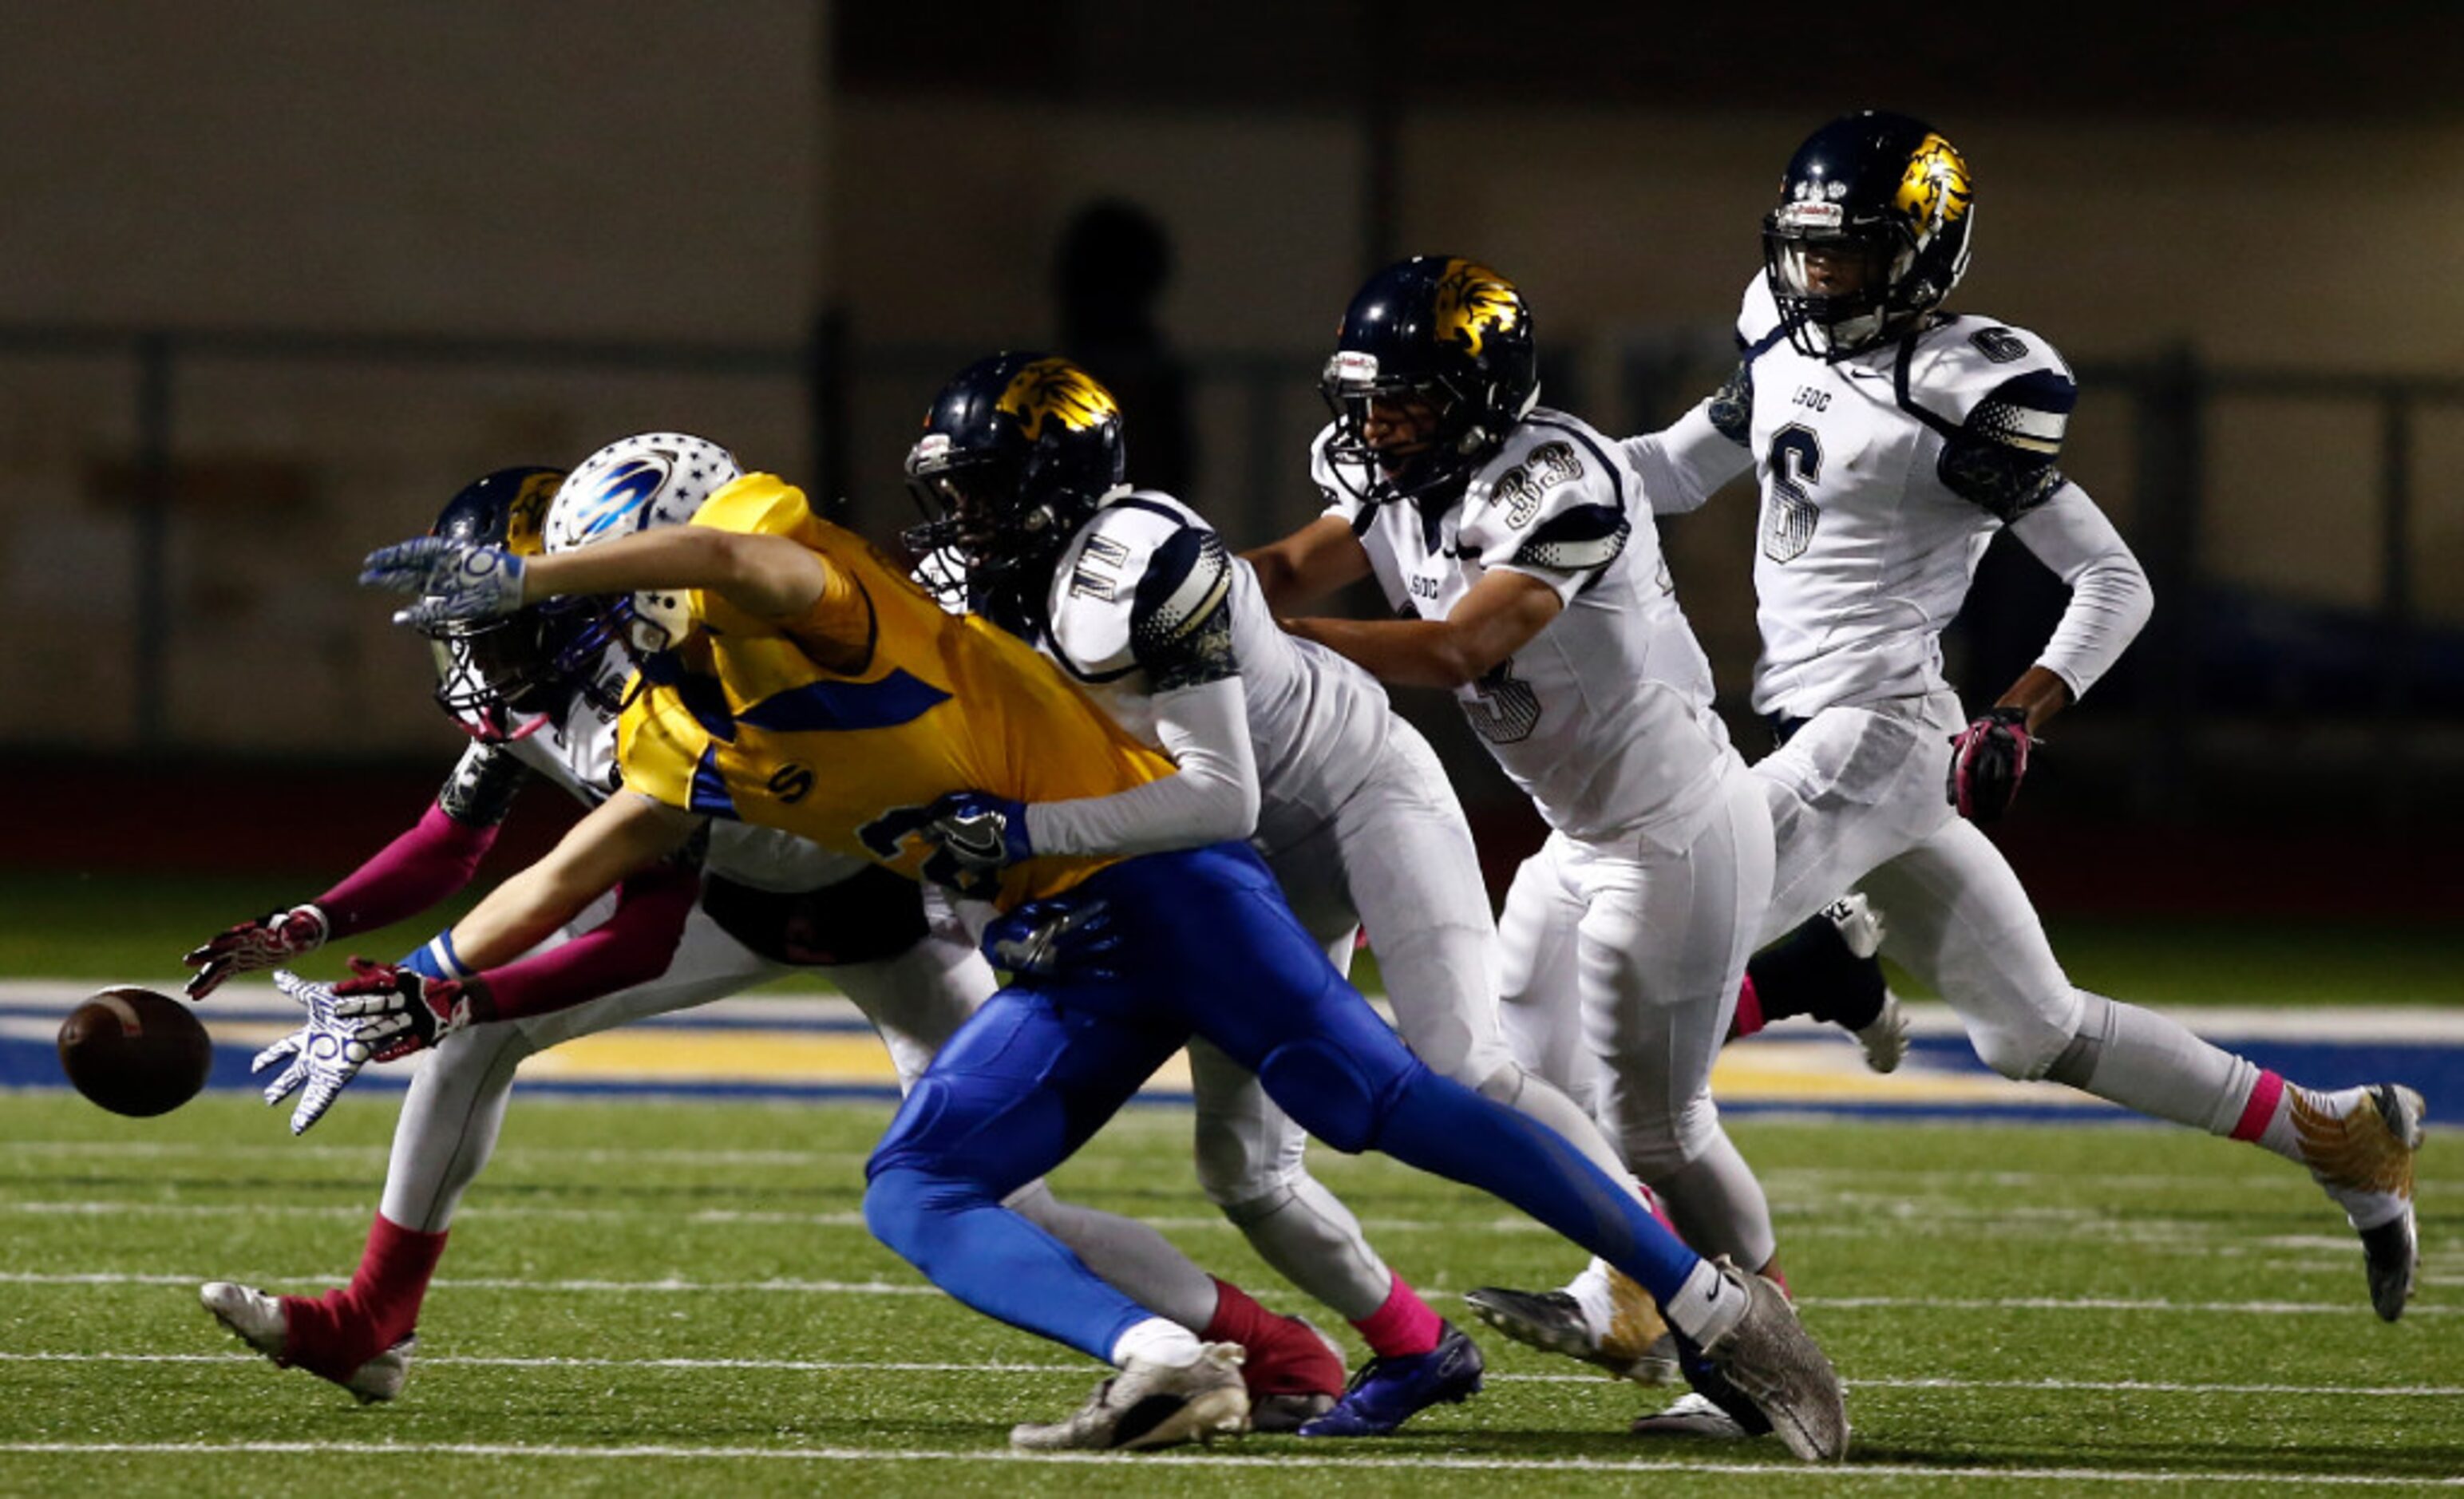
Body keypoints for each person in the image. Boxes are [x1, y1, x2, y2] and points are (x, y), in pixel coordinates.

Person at [338, 427, 1853, 1459]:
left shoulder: (813, 593)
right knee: (917, 1183)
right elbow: (573, 864)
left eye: (634, 574)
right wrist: (420, 989)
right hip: (1064, 938)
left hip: (1163, 877)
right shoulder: (678, 723)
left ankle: (1712, 1301)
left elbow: (747, 571)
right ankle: (1163, 1360)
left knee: (1374, 1101)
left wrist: (537, 575)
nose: (630, 619)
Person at [1497, 110, 2428, 1436]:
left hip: (1876, 736)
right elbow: (1675, 473)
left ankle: (1655, 1292)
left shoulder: (1968, 387)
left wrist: (2027, 706)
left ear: (1926, 254)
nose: (1822, 277)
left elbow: (2115, 578)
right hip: (1829, 732)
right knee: (2031, 1027)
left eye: (1854, 255)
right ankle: (2337, 1132)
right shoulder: (1777, 325)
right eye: (1810, 251)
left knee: (1646, 996)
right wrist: (1545, 478)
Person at [186, 455, 1347, 1423]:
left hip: (887, 911)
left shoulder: (673, 671)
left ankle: (1275, 1349)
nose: (475, 651)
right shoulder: (556, 686)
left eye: (497, 615)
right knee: (466, 1047)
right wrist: (320, 925)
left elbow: (634, 927)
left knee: (1000, 1199)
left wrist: (449, 989)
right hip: (737, 907)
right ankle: (373, 1318)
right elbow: (457, 836)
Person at [903, 349, 1701, 1434]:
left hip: (1352, 790)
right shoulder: (972, 591)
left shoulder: (1138, 563)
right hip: (1230, 856)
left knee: (1462, 1058)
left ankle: (1645, 1261)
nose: (961, 514)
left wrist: (1030, 840)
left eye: (984, 487)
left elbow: (1217, 787)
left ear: (1056, 486)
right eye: (952, 489)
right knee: (1242, 1167)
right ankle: (1415, 1350)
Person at [1248, 253, 1825, 1413]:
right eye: (1366, 399)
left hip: (1676, 829)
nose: (1377, 424)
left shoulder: (1558, 478)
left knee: (1659, 1129)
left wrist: (1275, 650)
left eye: (1404, 399)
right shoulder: (1391, 473)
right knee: (1505, 1077)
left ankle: (1763, 1324)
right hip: (1573, 836)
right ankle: (1644, 1288)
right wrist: (1184, 602)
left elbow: (1461, 646)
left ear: (1477, 393)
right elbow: (1285, 565)